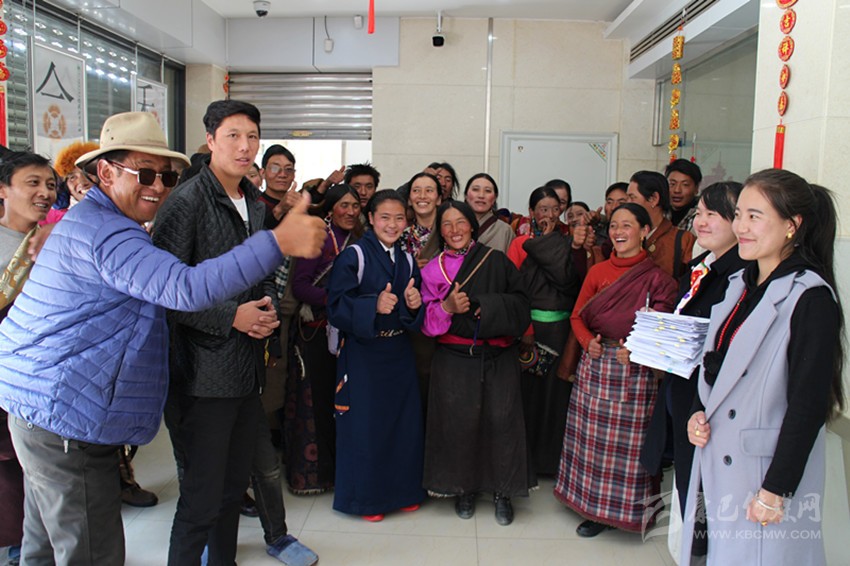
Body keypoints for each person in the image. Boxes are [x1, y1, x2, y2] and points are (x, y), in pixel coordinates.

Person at [0, 111, 326, 565]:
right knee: (93, 551)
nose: (157, 186)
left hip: (52, 406)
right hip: (71, 415)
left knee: (43, 549)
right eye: (145, 174)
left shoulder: (109, 222)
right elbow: (183, 288)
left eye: (167, 175)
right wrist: (277, 244)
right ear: (106, 172)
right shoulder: (115, 229)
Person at [152, 100, 317, 566]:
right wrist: (231, 317)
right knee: (201, 498)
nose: (245, 147)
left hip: (246, 370)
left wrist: (264, 309)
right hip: (201, 376)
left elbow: (262, 270)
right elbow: (165, 291)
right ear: (210, 141)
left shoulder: (254, 202)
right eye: (233, 136)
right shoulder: (185, 202)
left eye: (252, 137)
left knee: (230, 491)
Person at [680, 170, 844, 566]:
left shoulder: (810, 298)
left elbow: (807, 406)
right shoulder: (740, 284)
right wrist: (697, 413)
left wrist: (776, 489)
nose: (741, 227)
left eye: (755, 217)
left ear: (792, 225)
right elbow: (717, 368)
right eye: (739, 215)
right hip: (720, 462)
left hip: (762, 476)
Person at [639, 181, 749, 558]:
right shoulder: (703, 267)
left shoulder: (743, 277)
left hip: (710, 403)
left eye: (712, 214)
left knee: (710, 494)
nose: (700, 222)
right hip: (684, 391)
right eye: (699, 213)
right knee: (689, 484)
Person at [554, 203, 677, 538]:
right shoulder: (598, 271)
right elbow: (577, 316)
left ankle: (624, 511)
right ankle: (589, 505)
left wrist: (638, 350)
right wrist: (586, 342)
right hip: (595, 365)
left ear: (645, 231)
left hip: (635, 372)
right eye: (613, 226)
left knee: (628, 448)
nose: (618, 232)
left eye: (627, 225)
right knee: (590, 442)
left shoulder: (659, 280)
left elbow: (663, 329)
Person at [421, 201, 532, 526]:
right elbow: (426, 323)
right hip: (454, 358)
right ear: (440, 231)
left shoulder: (495, 260)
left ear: (472, 225)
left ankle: (502, 492)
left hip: (498, 355)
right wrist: (448, 307)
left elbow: (522, 303)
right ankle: (463, 489)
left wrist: (488, 306)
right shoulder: (432, 270)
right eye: (447, 224)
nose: (455, 230)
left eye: (461, 222)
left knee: (502, 423)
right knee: (459, 425)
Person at [326, 190, 426, 521]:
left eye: (399, 218)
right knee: (366, 426)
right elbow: (335, 306)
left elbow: (414, 313)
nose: (392, 225)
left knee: (403, 424)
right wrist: (372, 305)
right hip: (363, 354)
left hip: (399, 351)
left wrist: (414, 305)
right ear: (370, 218)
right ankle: (367, 500)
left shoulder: (407, 259)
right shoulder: (354, 255)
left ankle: (404, 492)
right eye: (385, 217)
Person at [285, 184, 363, 494]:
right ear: (330, 209)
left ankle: (344, 470)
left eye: (355, 206)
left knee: (343, 404)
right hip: (316, 333)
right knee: (317, 404)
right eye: (344, 205)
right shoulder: (318, 237)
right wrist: (337, 300)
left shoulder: (360, 240)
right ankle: (316, 476)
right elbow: (300, 286)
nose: (350, 211)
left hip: (349, 334)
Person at [0, 151, 56, 566]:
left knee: (40, 469)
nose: (44, 192)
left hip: (41, 376)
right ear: (3, 190)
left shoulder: (56, 241)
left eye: (50, 184)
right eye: (33, 183)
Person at [507, 187, 580, 477]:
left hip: (560, 331)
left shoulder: (567, 243)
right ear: (532, 212)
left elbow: (566, 281)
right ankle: (526, 460)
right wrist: (525, 328)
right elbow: (512, 290)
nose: (548, 214)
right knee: (528, 397)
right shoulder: (520, 244)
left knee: (556, 397)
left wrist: (550, 242)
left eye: (554, 209)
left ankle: (551, 462)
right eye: (542, 209)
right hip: (530, 330)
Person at [399, 172, 442, 416]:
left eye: (429, 190)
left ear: (439, 198)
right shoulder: (400, 234)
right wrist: (410, 269)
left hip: (446, 315)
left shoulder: (451, 231)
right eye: (416, 190)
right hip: (412, 316)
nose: (422, 196)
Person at [627, 170, 695, 278]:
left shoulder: (683, 239)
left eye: (632, 197)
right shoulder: (625, 235)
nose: (627, 203)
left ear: (654, 199)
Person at [463, 173, 514, 253]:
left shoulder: (505, 230)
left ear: (494, 198)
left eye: (487, 191)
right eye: (475, 189)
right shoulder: (455, 226)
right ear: (466, 195)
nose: (481, 195)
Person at [665, 158, 702, 232]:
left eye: (685, 185)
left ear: (696, 188)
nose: (677, 190)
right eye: (672, 184)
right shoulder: (659, 211)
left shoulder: (702, 216)